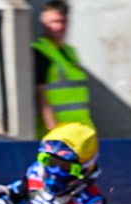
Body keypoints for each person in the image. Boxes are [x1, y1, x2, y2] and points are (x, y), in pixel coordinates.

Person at [33, 0, 92, 133]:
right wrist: (55, 133)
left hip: (81, 132)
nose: (59, 26)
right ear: (43, 25)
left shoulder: (70, 52)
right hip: (58, 134)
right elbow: (41, 98)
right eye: (53, 22)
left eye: (62, 21)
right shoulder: (40, 52)